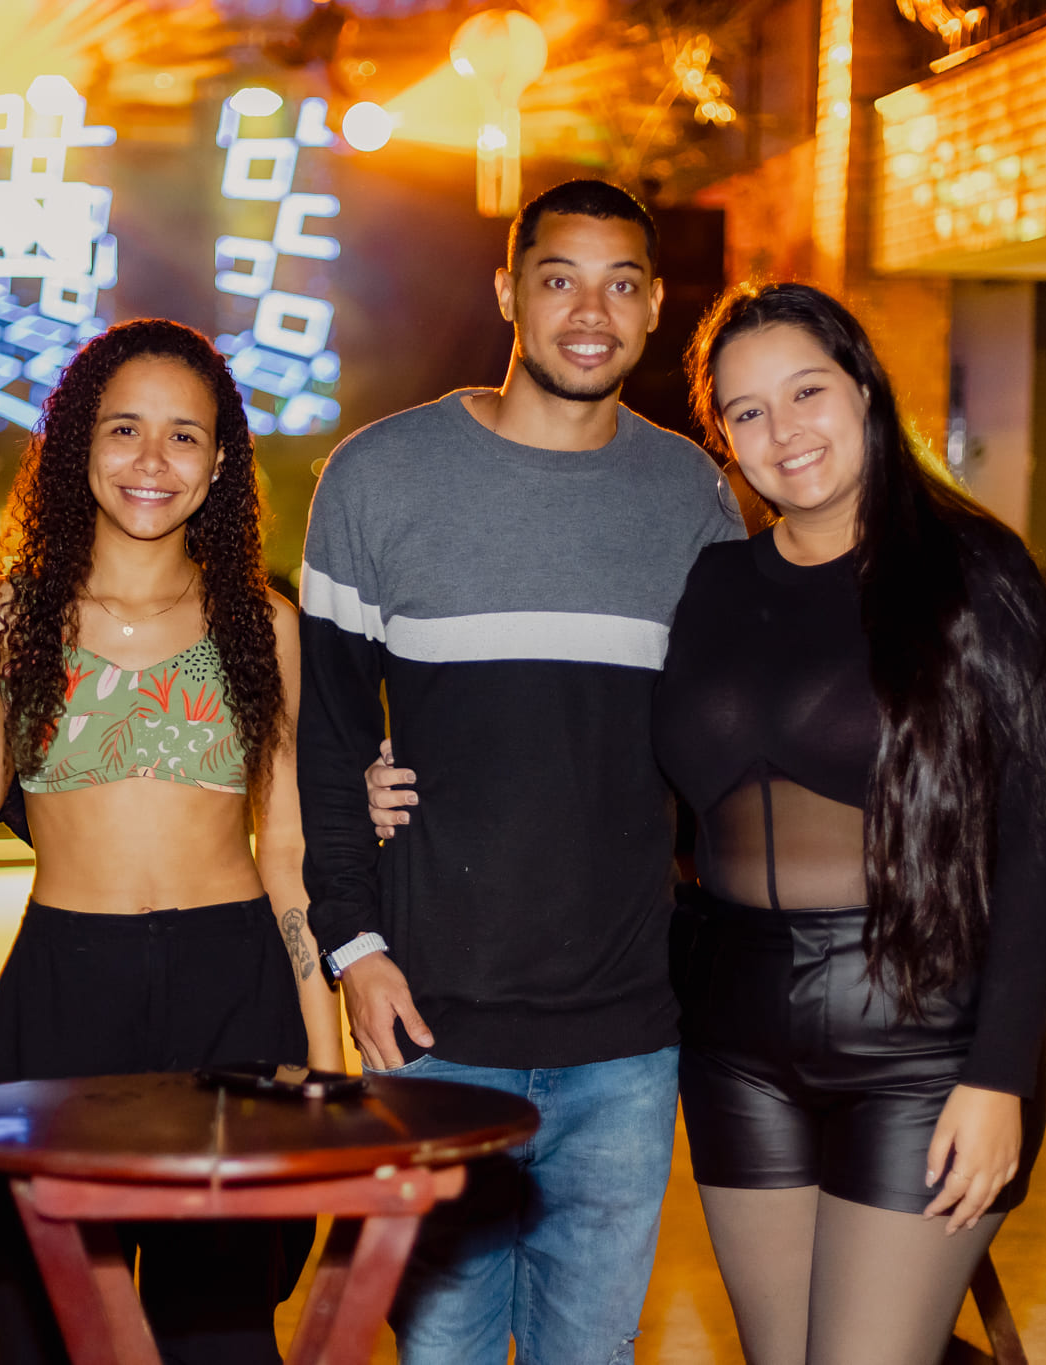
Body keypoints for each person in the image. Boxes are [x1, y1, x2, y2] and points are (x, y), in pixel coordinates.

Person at [298, 179, 742, 1364]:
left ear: (653, 307)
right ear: (507, 293)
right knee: (439, 1348)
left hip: (627, 1039)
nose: (588, 312)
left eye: (619, 284)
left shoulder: (692, 498)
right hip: (431, 1022)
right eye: (558, 280)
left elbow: (725, 746)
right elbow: (327, 742)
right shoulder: (378, 476)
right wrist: (353, 947)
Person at [655, 281, 1046, 1364]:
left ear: (864, 390)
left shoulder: (974, 571)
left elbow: (1036, 839)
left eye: (806, 392)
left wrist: (998, 1071)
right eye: (746, 411)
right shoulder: (709, 584)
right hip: (732, 1038)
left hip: (921, 1033)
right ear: (723, 437)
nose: (782, 430)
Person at [0, 317, 342, 1364]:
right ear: (78, 443)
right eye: (124, 428)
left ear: (219, 464)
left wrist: (326, 1061)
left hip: (233, 985)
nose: (151, 460)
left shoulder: (262, 624)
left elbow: (287, 851)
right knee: (45, 1324)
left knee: (220, 1331)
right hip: (65, 985)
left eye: (184, 435)